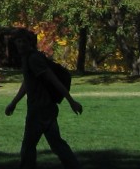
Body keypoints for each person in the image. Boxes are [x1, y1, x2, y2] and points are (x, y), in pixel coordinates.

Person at [5, 29, 82, 168]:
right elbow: (27, 83)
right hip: (45, 108)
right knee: (56, 143)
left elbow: (53, 80)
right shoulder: (27, 58)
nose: (21, 44)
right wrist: (14, 103)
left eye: (23, 41)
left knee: (28, 146)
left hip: (39, 110)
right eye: (18, 41)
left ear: (30, 42)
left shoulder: (34, 59)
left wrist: (71, 101)